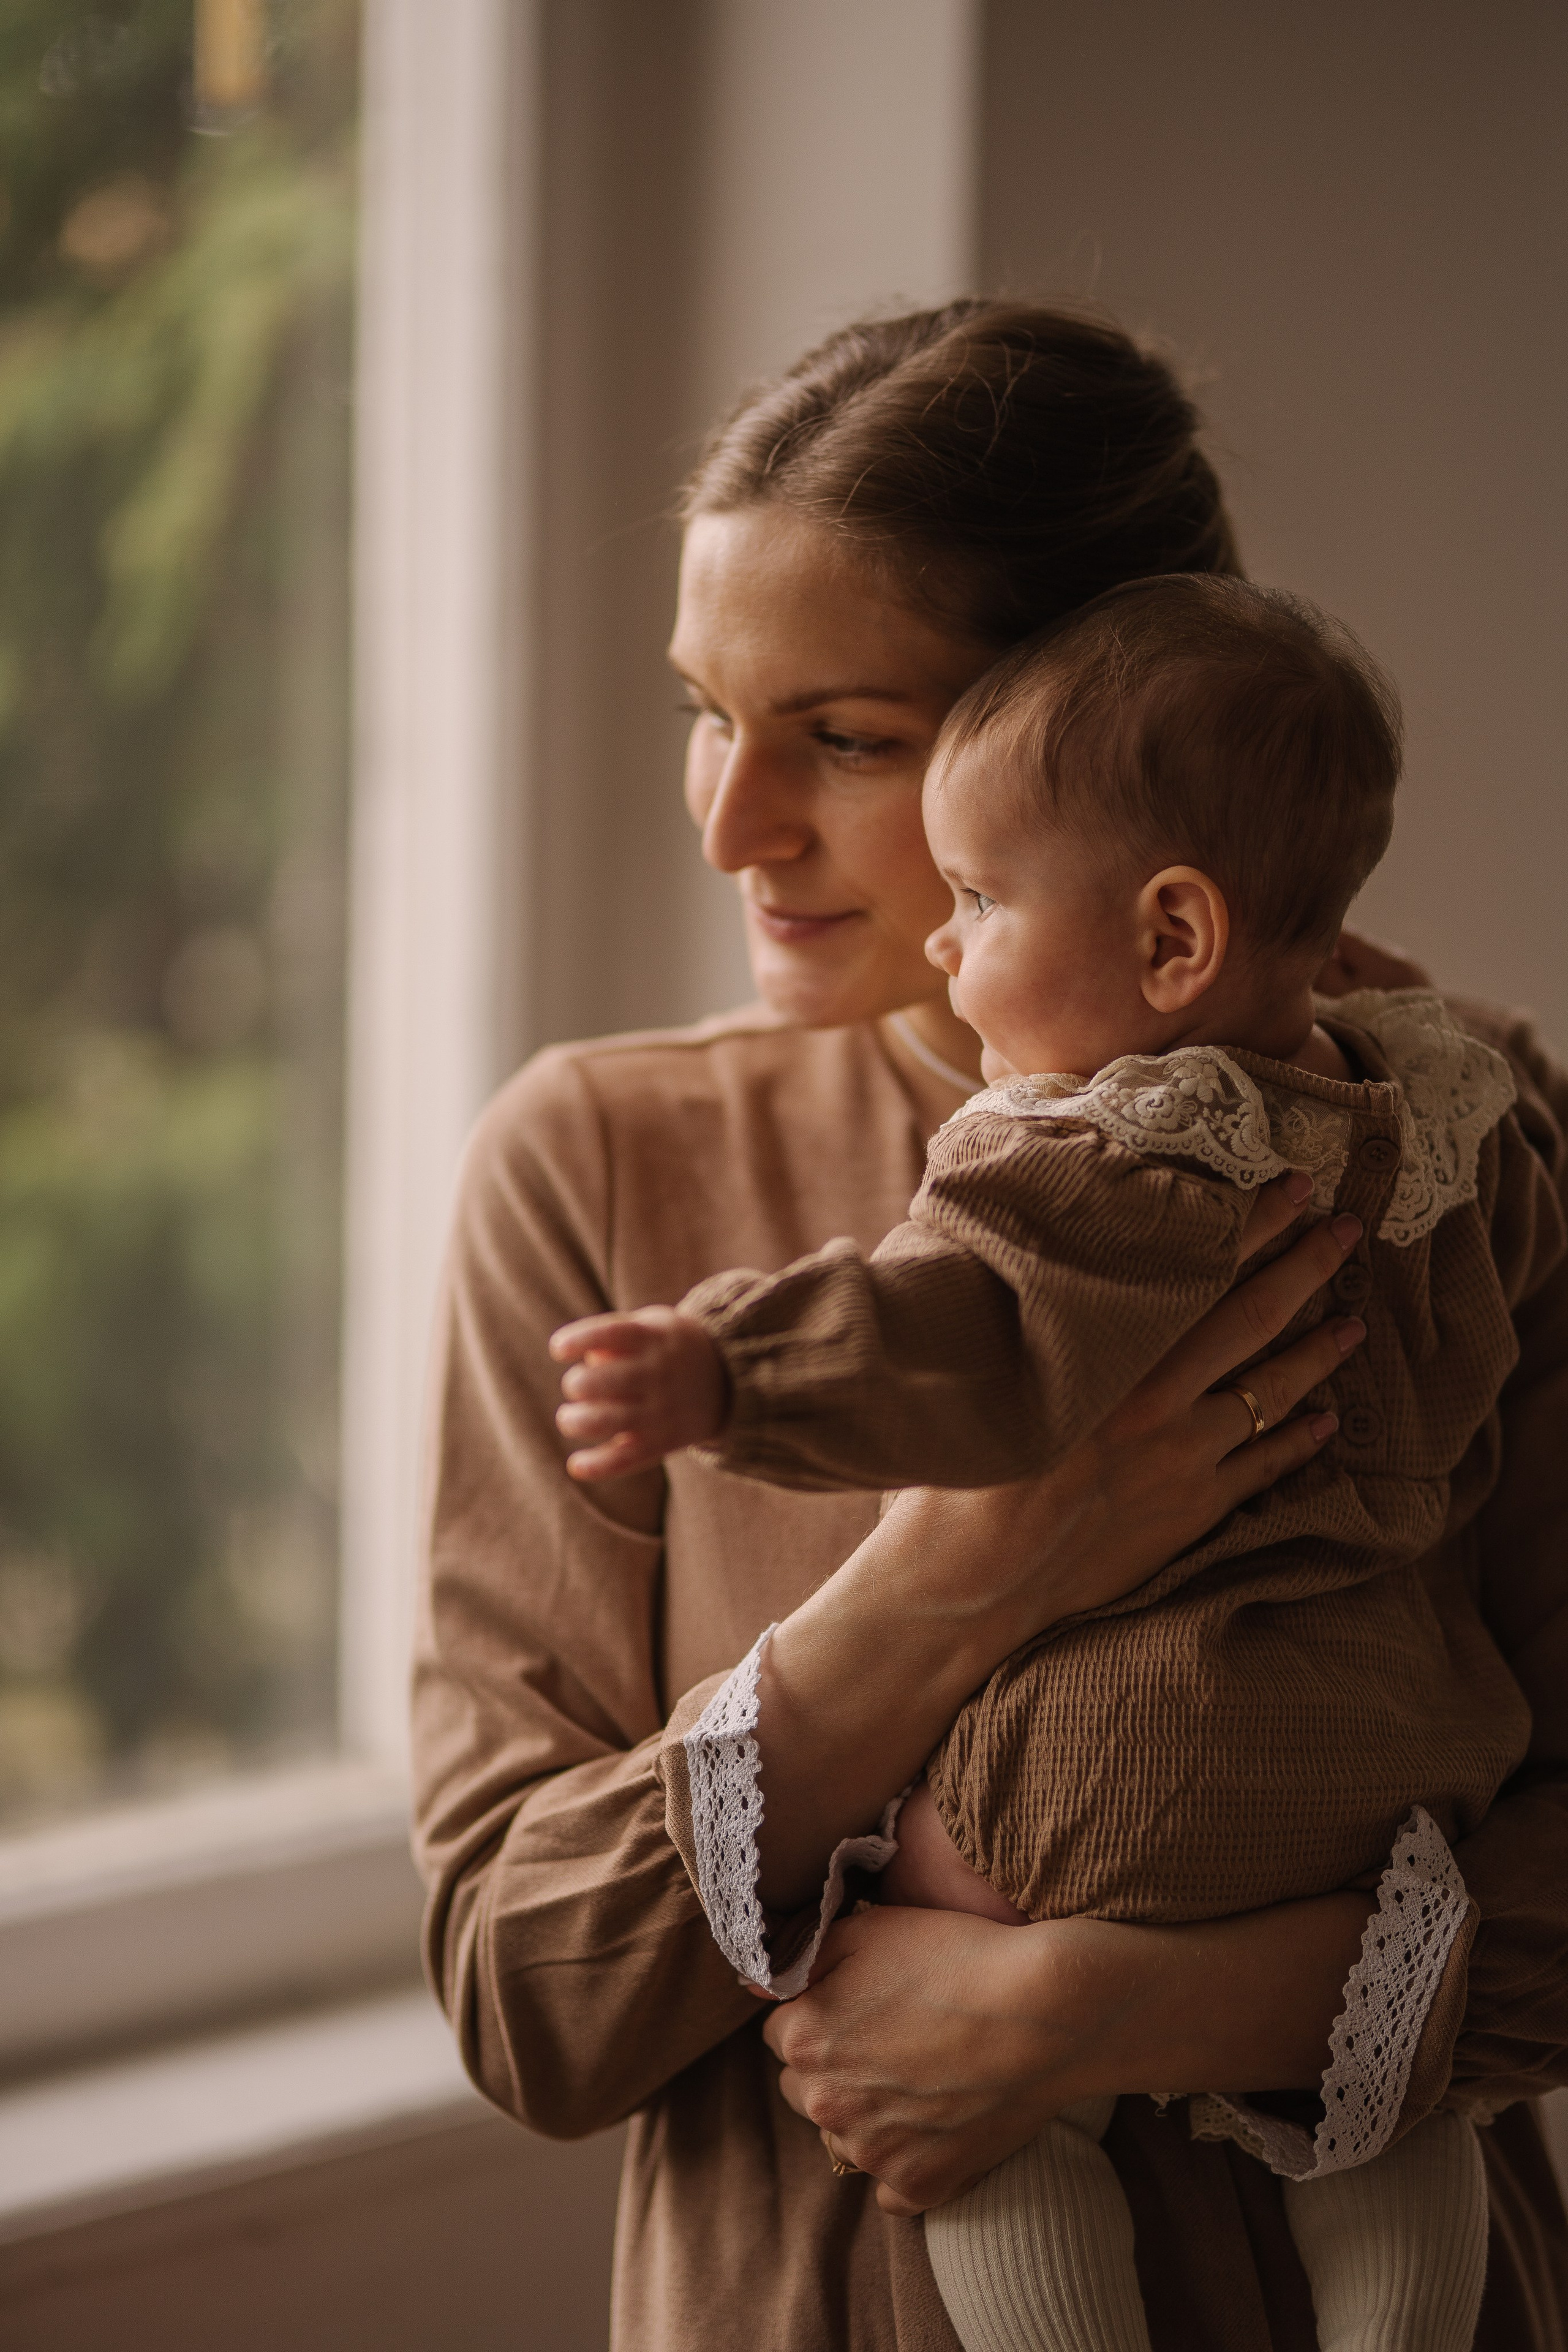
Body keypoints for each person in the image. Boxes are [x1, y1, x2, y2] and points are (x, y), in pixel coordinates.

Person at [412, 301, 1568, 2351]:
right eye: (706, 710)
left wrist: (1112, 2009)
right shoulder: (596, 1173)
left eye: (848, 738)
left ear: (1119, 722)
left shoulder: (1467, 1135)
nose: (731, 823)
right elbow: (534, 2005)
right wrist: (966, 1572)